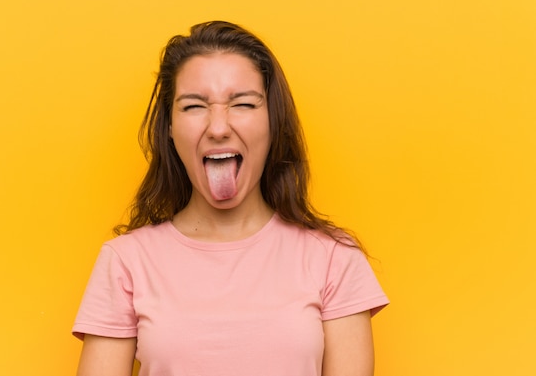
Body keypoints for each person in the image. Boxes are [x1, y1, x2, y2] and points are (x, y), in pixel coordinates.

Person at [73, 21, 389, 376]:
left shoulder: (334, 258)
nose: (219, 127)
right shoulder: (126, 262)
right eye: (194, 106)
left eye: (242, 104)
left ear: (273, 122)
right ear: (170, 130)